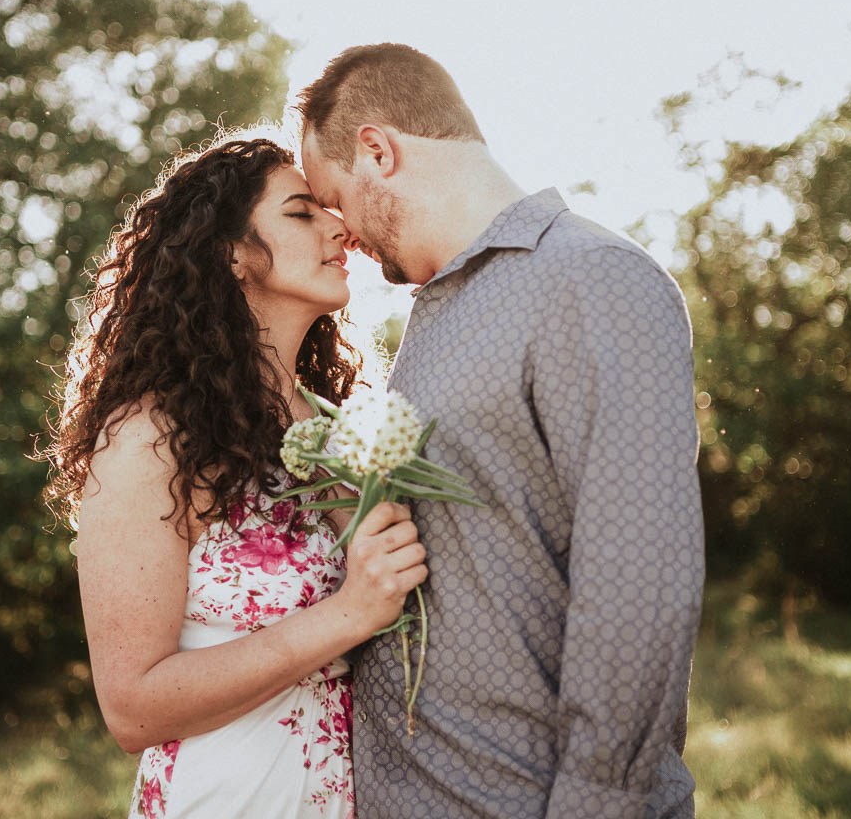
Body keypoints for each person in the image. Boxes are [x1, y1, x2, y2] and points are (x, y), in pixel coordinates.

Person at [295, 43, 705, 819]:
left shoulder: (593, 278)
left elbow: (640, 585)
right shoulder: (435, 316)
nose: (339, 231)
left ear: (378, 151)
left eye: (333, 197)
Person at [43, 137, 429, 818]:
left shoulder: (343, 427)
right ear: (232, 253)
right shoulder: (149, 440)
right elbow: (132, 709)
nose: (339, 226)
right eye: (302, 213)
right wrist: (347, 615)